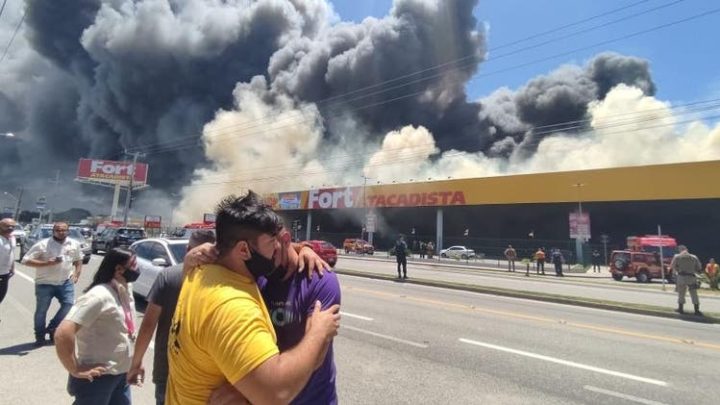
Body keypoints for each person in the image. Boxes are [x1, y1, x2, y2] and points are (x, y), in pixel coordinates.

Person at [166, 192, 340, 405]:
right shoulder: (232, 304)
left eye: (280, 240)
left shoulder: (201, 270)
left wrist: (303, 247)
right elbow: (274, 393)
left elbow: (319, 356)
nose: (278, 246)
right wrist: (318, 332)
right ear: (243, 250)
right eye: (271, 242)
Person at [128, 228, 330, 405]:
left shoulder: (217, 273)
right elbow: (273, 393)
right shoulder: (223, 290)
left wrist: (304, 247)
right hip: (198, 380)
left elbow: (148, 322)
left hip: (190, 375)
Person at [127, 230, 216, 405]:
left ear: (188, 249)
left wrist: (136, 363)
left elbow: (148, 325)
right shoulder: (223, 278)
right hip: (208, 373)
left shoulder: (169, 276)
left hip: (168, 369)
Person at [54, 248, 141, 405]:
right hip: (100, 377)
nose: (138, 268)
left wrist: (135, 363)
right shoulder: (99, 295)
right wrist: (75, 369)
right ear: (119, 269)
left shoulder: (125, 288)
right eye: (134, 264)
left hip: (121, 373)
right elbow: (63, 333)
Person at [22, 222, 83, 346]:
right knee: (41, 311)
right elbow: (26, 260)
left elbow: (78, 260)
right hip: (44, 283)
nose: (61, 232)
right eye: (58, 230)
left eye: (64, 230)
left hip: (65, 282)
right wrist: (46, 263)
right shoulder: (43, 244)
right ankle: (39, 336)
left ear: (68, 231)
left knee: (69, 305)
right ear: (53, 231)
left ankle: (52, 327)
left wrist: (76, 274)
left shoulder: (74, 244)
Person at [670, 245, 703, 315]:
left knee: (681, 293)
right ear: (687, 250)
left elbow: (672, 266)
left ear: (680, 250)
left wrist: (676, 271)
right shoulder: (694, 257)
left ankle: (680, 309)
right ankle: (696, 310)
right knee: (694, 293)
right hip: (691, 277)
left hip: (681, 277)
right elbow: (699, 268)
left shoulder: (677, 257)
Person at [0, 219, 17, 311]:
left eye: (13, 226)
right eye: (7, 226)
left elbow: (11, 252)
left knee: (1, 295)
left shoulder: (12, 238)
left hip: (5, 273)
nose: (10, 228)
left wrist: (12, 267)